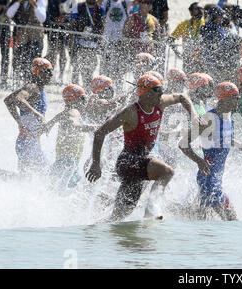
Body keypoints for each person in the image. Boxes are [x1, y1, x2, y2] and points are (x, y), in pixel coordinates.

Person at [85, 74, 201, 222]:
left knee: (119, 216)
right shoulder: (130, 112)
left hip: (140, 162)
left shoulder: (160, 103)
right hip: (128, 162)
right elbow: (100, 132)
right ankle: (152, 210)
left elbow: (182, 97)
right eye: (157, 89)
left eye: (162, 89)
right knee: (166, 172)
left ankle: (94, 230)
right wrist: (96, 163)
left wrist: (193, 115)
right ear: (145, 93)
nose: (161, 93)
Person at [179, 82, 242, 221]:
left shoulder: (227, 115)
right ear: (224, 99)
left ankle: (170, 211)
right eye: (235, 97)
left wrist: (241, 144)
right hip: (209, 181)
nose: (239, 100)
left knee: (201, 222)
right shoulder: (208, 120)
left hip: (215, 179)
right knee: (232, 221)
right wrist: (199, 161)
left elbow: (223, 138)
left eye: (238, 97)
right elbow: (183, 144)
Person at [39, 84, 97, 189]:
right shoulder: (74, 112)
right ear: (74, 99)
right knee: (71, 192)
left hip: (65, 162)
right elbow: (75, 125)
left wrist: (49, 125)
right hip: (68, 164)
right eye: (83, 98)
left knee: (59, 191)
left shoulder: (65, 112)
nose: (85, 102)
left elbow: (55, 119)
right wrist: (99, 127)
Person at [4, 58, 53, 175]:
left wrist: (19, 121)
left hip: (33, 142)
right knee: (25, 179)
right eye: (47, 71)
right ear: (37, 73)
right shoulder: (33, 87)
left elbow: (8, 100)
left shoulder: (38, 89)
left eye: (51, 70)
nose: (51, 74)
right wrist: (36, 113)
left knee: (45, 174)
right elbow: (18, 99)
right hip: (26, 142)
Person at [6, 0, 47, 82]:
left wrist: (35, 5)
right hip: (21, 37)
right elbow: (9, 14)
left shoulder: (39, 1)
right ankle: (21, 82)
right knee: (21, 62)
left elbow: (42, 18)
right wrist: (17, 2)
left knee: (35, 61)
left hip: (35, 37)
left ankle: (33, 83)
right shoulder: (17, 2)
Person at [68, 0, 105, 89]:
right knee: (76, 70)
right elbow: (72, 24)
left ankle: (87, 91)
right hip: (79, 44)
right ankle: (74, 91)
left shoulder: (100, 9)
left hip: (93, 46)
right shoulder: (79, 6)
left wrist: (99, 41)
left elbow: (102, 26)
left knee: (88, 72)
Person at [102, 0, 133, 90]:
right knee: (106, 66)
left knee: (119, 68)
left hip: (120, 41)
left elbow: (137, 2)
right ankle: (105, 88)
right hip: (108, 40)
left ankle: (119, 89)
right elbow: (98, 3)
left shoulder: (125, 2)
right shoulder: (106, 2)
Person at [169, 2, 205, 74]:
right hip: (188, 61)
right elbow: (170, 39)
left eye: (201, 8)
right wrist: (177, 52)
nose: (200, 10)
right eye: (197, 9)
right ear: (191, 12)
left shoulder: (205, 24)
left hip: (202, 61)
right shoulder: (184, 25)